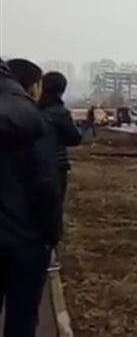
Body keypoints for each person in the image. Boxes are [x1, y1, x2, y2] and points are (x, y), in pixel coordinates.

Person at [1, 58, 61, 337]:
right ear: (33, 86)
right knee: (22, 319)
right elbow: (45, 186)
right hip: (24, 242)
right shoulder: (31, 123)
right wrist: (52, 235)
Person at [39, 72, 83, 205]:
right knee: (53, 209)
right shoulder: (59, 112)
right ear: (62, 90)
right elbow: (75, 138)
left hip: (31, 164)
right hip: (56, 166)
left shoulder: (31, 108)